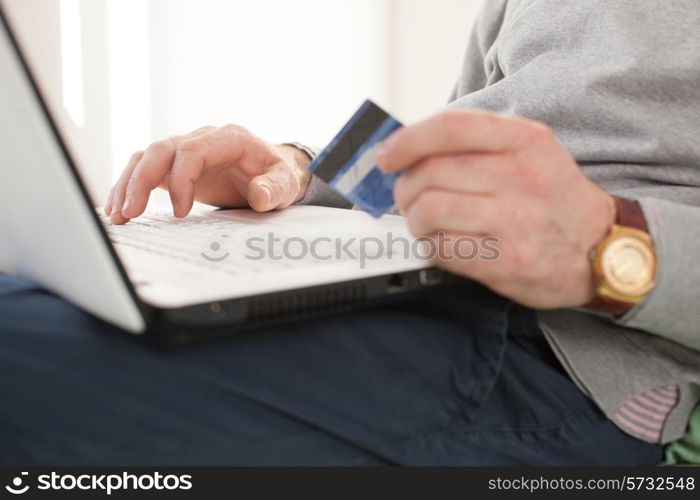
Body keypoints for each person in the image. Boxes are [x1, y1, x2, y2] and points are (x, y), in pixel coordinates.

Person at [1, 0, 698, 465]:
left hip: (574, 358)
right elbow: (443, 150)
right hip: (423, 274)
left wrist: (608, 250)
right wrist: (296, 170)